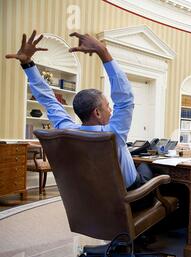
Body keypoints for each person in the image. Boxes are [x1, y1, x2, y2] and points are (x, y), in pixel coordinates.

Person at [5, 30, 151, 191]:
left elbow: (49, 101)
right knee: (148, 168)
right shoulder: (113, 134)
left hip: (93, 196)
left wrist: (27, 64)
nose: (111, 110)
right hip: (131, 197)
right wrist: (103, 51)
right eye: (108, 106)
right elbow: (125, 100)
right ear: (97, 112)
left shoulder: (68, 130)